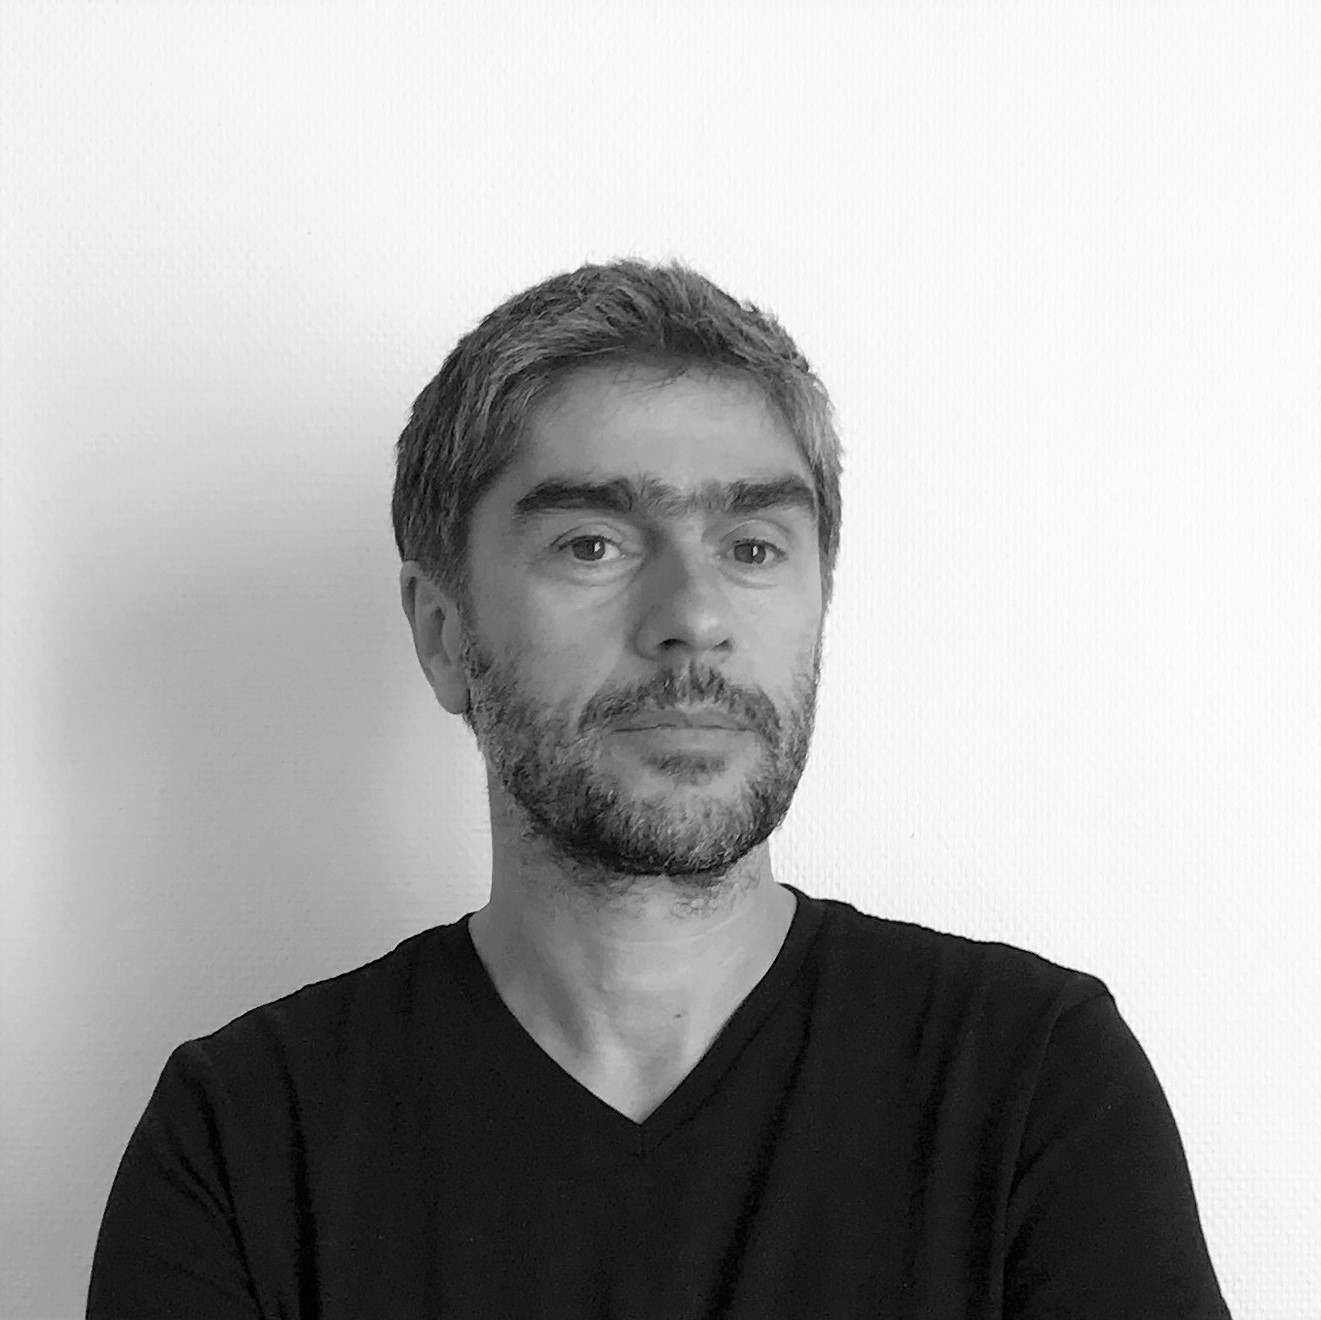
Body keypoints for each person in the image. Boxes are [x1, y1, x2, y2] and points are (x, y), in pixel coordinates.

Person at [87, 260, 1232, 1318]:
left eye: (752, 545)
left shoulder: (1031, 1085)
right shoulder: (245, 1137)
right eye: (593, 543)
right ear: (443, 635)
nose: (693, 615)